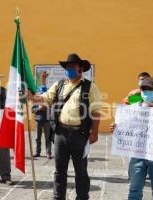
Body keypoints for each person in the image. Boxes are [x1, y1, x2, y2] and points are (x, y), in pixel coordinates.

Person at [28, 53, 102, 200]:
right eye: (68, 67)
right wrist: (30, 97)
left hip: (80, 135)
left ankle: (82, 197)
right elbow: (45, 99)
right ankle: (58, 197)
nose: (70, 69)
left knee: (81, 171)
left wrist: (95, 133)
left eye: (73, 67)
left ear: (81, 69)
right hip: (60, 134)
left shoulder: (90, 87)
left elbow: (96, 112)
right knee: (59, 171)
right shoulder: (59, 85)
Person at [32, 71, 52, 159]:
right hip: (37, 120)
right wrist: (38, 108)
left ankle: (48, 153)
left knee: (48, 137)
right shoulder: (36, 99)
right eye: (41, 93)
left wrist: (47, 107)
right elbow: (32, 109)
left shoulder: (49, 99)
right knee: (37, 138)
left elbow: (52, 108)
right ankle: (37, 152)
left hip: (47, 120)